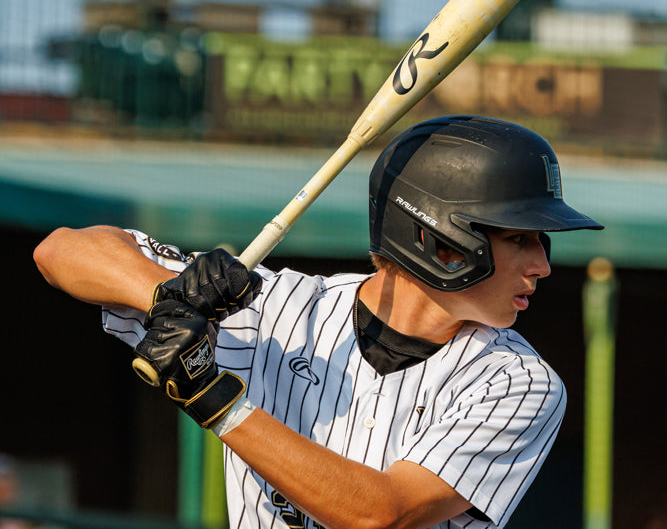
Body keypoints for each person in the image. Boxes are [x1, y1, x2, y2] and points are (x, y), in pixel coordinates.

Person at [34, 115, 602, 529]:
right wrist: (169, 298)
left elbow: (381, 515)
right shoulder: (276, 308)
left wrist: (217, 401)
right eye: (520, 239)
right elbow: (61, 250)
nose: (542, 265)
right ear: (441, 241)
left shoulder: (518, 382)